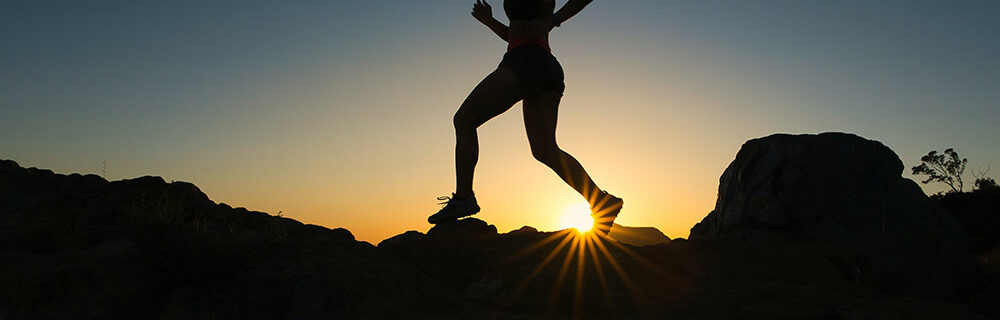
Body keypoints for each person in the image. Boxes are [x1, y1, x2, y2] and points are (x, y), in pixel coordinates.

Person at [428, 0, 622, 235]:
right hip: (543, 65)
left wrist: (553, 20)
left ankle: (463, 198)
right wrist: (489, 21)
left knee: (464, 120)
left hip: (526, 62)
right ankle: (601, 201)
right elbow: (516, 35)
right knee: (544, 149)